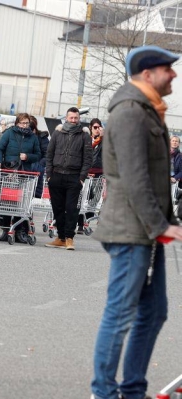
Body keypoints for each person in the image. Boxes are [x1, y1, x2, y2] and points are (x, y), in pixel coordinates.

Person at [91, 45, 182, 399]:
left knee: (155, 311)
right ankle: (104, 392)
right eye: (167, 69)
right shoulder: (130, 112)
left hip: (144, 231)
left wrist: (163, 223)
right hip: (131, 231)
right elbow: (134, 178)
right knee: (120, 314)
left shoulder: (148, 110)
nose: (173, 74)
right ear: (147, 74)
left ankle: (132, 389)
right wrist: (160, 225)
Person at [43, 107, 92, 250]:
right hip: (56, 176)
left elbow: (87, 159)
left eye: (76, 118)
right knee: (57, 208)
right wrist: (49, 175)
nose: (74, 120)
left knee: (71, 209)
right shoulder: (57, 134)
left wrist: (82, 178)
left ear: (79, 119)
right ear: (66, 118)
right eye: (71, 118)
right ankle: (61, 237)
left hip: (74, 177)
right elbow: (49, 155)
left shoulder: (84, 136)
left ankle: (70, 238)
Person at [0, 113, 41, 243]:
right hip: (9, 172)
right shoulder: (9, 134)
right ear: (17, 123)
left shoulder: (33, 137)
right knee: (7, 202)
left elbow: (38, 154)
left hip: (25, 173)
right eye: (22, 123)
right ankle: (6, 229)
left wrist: (28, 157)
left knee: (22, 204)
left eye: (26, 123)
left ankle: (21, 231)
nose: (25, 125)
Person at [78, 118, 104, 234]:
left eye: (99, 127)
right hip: (87, 172)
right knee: (82, 198)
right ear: (90, 128)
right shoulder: (87, 139)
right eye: (95, 127)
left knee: (94, 199)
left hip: (99, 172)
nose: (97, 130)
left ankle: (86, 221)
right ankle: (80, 224)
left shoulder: (104, 140)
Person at [30, 115, 50, 199]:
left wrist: (38, 166)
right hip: (22, 171)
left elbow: (48, 155)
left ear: (34, 130)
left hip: (36, 171)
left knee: (33, 195)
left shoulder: (42, 138)